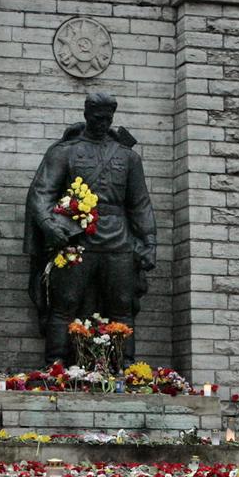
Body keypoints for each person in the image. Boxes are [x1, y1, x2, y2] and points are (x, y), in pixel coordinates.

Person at [24, 92, 157, 364]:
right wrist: (50, 225)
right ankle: (56, 365)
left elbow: (140, 203)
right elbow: (41, 193)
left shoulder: (128, 158)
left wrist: (149, 243)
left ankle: (125, 366)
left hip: (119, 241)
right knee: (64, 304)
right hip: (76, 240)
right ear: (87, 115)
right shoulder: (65, 152)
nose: (102, 123)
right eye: (97, 118)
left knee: (122, 305)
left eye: (107, 118)